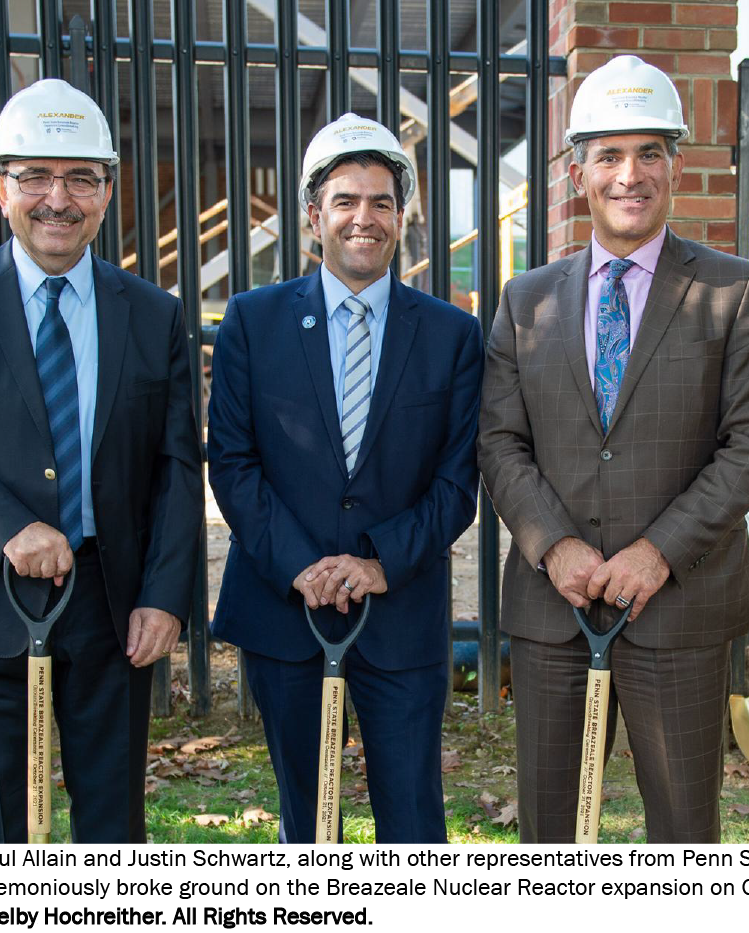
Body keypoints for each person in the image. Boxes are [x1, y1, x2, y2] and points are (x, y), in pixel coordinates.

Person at [477, 55, 749, 843]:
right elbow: (499, 440)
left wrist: (659, 550)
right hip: (556, 607)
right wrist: (553, 548)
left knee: (682, 830)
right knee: (550, 831)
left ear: (675, 166)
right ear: (576, 171)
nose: (629, 174)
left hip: (678, 607)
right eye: (608, 155)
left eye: (648, 152)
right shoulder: (526, 299)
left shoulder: (732, 288)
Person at [0, 79, 203, 843]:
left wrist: (165, 596)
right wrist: (8, 528)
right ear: (0, 187)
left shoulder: (151, 313)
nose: (56, 198)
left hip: (110, 601)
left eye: (80, 178)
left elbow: (175, 465)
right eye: (35, 176)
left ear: (106, 191)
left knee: (112, 825)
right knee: (5, 824)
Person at [207, 113, 484, 843]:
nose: (364, 218)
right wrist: (302, 566)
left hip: (398, 613)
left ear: (402, 215)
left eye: (382, 202)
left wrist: (377, 562)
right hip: (282, 610)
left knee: (414, 820)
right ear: (313, 215)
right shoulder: (251, 320)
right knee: (309, 816)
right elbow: (233, 464)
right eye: (345, 200)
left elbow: (458, 482)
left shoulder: (452, 334)